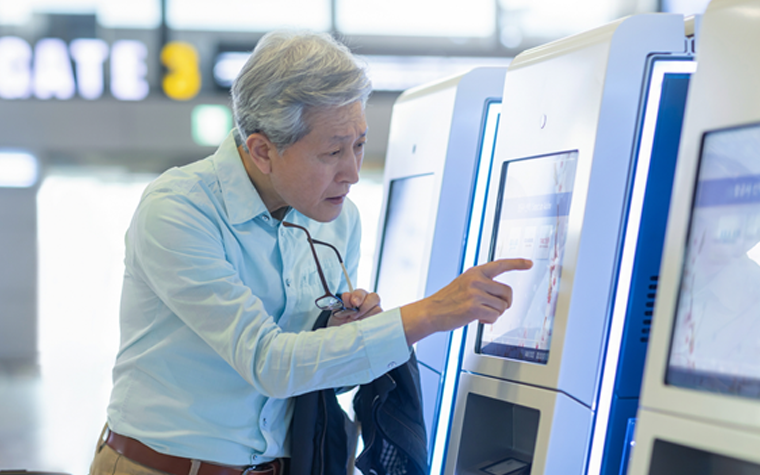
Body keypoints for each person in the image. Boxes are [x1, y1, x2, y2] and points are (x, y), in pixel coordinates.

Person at [89, 30, 532, 475]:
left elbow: (325, 375)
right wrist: (430, 313)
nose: (353, 172)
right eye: (333, 151)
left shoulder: (339, 220)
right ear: (263, 150)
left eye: (359, 144)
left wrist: (344, 329)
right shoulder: (179, 211)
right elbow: (269, 363)